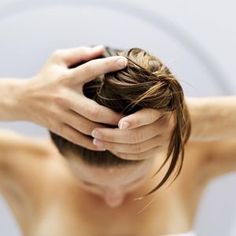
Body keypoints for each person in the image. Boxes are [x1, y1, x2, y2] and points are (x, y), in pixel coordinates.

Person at [0, 46, 236, 236]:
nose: (113, 199)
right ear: (57, 150)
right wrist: (19, 97)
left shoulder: (193, 158)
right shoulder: (24, 165)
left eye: (135, 180)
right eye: (89, 183)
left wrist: (195, 118)